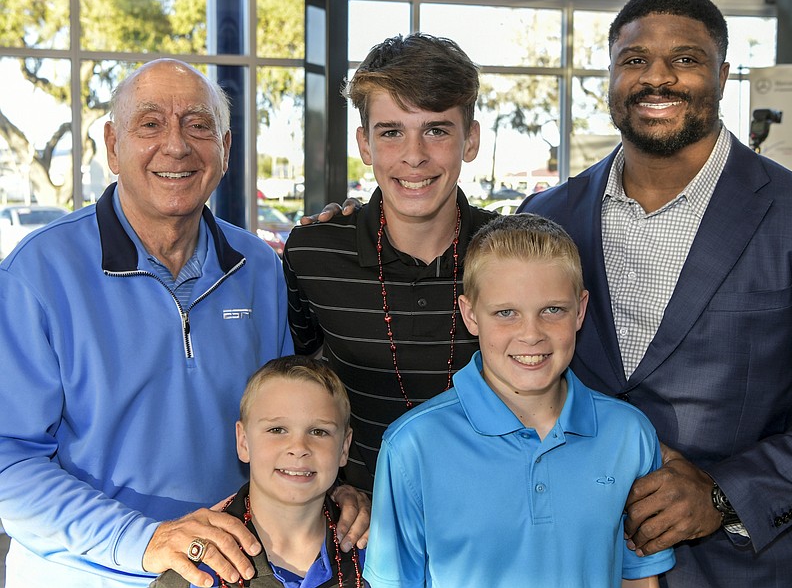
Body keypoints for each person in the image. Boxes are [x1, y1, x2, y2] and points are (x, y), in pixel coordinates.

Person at [520, 0, 792, 587]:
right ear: (611, 77)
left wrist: (723, 493)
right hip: (567, 556)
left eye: (686, 60)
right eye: (635, 60)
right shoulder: (547, 217)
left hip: (740, 567)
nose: (658, 77)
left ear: (723, 76)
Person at [0, 58, 368, 588]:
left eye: (198, 126)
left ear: (224, 148)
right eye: (150, 124)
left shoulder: (258, 267)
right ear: (111, 146)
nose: (176, 145)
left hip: (232, 571)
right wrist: (145, 540)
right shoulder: (36, 274)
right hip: (86, 575)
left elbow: (287, 421)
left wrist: (331, 487)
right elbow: (9, 460)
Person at [363, 213, 675, 587]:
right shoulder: (412, 446)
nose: (531, 334)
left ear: (580, 310)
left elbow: (638, 578)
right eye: (506, 313)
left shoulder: (628, 434)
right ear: (470, 315)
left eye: (552, 310)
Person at [283, 33, 497, 492]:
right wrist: (331, 484)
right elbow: (297, 391)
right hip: (361, 526)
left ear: (471, 139)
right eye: (391, 131)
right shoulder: (313, 253)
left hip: (492, 516)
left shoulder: (509, 254)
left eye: (436, 130)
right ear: (365, 145)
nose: (414, 156)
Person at [150, 356, 367, 588]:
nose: (299, 448)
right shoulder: (196, 572)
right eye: (277, 429)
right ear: (243, 442)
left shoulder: (373, 552)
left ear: (344, 447)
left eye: (318, 432)